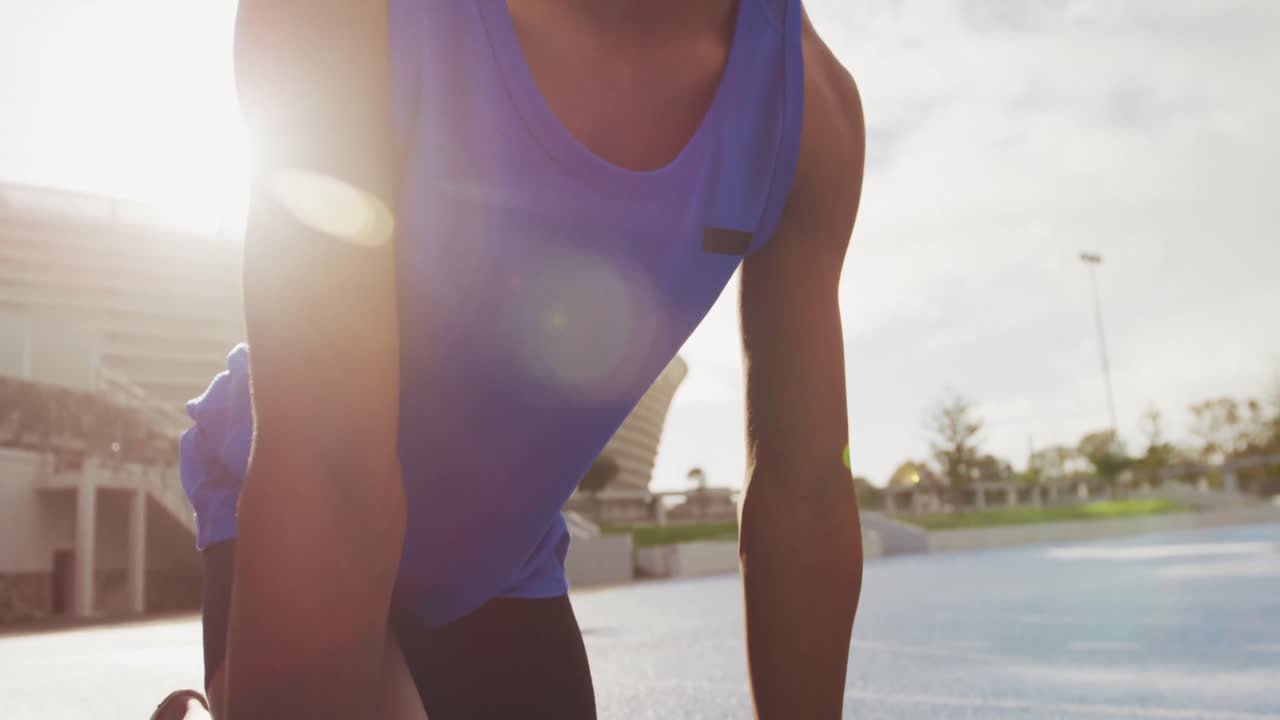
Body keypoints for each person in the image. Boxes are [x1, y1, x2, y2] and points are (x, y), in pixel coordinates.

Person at [165, 0, 866, 717]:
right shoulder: (341, 17)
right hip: (307, 497)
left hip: (499, 567)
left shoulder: (809, 113)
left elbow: (803, 490)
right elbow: (332, 463)